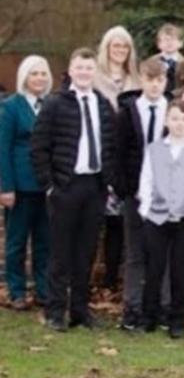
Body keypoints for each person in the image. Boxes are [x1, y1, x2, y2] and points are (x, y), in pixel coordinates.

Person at [31, 48, 118, 331]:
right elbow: (39, 146)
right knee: (61, 253)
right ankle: (56, 311)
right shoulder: (57, 103)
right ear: (71, 70)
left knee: (86, 252)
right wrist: (49, 185)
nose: (84, 73)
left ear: (95, 72)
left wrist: (108, 182)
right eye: (80, 68)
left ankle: (80, 310)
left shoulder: (103, 104)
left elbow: (111, 146)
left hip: (94, 186)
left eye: (89, 68)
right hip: (65, 186)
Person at [137, 99, 184, 339]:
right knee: (154, 269)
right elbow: (146, 180)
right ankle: (149, 316)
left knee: (182, 271)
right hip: (157, 217)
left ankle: (178, 320)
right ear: (167, 121)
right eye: (175, 118)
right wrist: (146, 210)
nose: (179, 123)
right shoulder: (155, 148)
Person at [114, 58, 169, 331]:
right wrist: (125, 188)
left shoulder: (173, 112)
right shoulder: (128, 112)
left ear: (165, 82)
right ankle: (132, 309)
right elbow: (118, 153)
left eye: (160, 80)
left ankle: (162, 307)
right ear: (142, 80)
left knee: (163, 253)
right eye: (150, 79)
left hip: (166, 193)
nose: (155, 85)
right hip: (135, 192)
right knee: (135, 253)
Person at [0, 55, 53, 310]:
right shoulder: (11, 106)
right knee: (16, 242)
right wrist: (5, 187)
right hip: (19, 187)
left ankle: (43, 290)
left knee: (45, 242)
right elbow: (3, 148)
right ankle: (17, 291)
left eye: (43, 73)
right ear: (24, 77)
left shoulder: (51, 105)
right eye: (34, 73)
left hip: (47, 186)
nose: (39, 78)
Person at [94, 25, 141, 291]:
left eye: (125, 46)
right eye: (116, 46)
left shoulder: (135, 79)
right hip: (98, 154)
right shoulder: (95, 78)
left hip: (123, 156)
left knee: (118, 222)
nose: (120, 51)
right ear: (107, 48)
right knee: (95, 220)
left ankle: (114, 277)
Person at [147, 23, 184, 98]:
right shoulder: (152, 61)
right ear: (159, 44)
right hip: (155, 98)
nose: (169, 43)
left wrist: (172, 94)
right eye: (166, 39)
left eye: (173, 39)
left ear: (181, 43)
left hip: (178, 100)